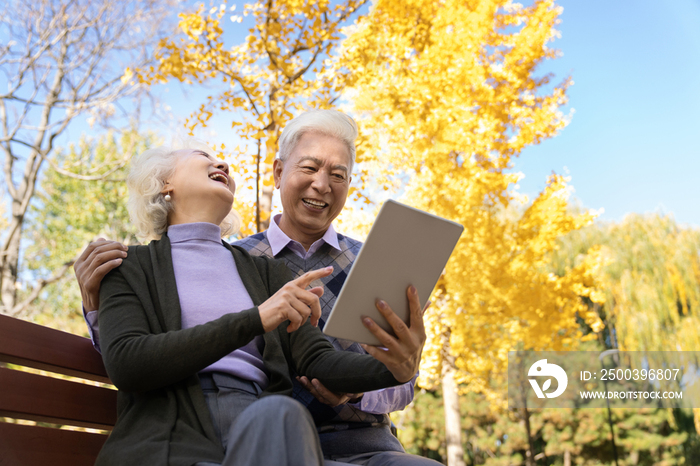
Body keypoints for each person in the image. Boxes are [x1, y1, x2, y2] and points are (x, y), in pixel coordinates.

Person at [75, 110, 442, 466]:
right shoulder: (147, 264)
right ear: (279, 173)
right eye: (310, 167)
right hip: (241, 428)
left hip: (338, 436)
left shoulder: (277, 271)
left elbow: (325, 361)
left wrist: (400, 370)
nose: (322, 184)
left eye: (338, 174)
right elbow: (130, 358)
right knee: (279, 415)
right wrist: (95, 309)